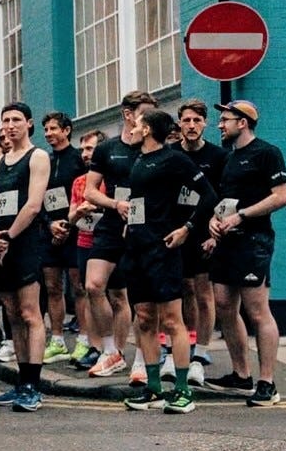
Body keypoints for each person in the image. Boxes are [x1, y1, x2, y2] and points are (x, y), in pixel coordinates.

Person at [120, 110, 216, 414]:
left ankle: (183, 391)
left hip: (163, 248)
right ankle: (153, 389)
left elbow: (209, 196)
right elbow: (140, 199)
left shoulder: (174, 159)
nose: (132, 129)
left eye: (136, 125)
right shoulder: (138, 160)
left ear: (147, 129)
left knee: (173, 320)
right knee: (145, 318)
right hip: (136, 248)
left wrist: (186, 229)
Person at [205, 100, 286, 407]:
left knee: (257, 312)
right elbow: (224, 202)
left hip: (254, 241)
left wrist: (241, 216)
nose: (219, 124)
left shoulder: (267, 153)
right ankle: (241, 375)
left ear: (242, 123)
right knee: (225, 305)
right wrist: (214, 224)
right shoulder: (229, 158)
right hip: (226, 243)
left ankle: (267, 382)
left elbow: (282, 197)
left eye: (225, 119)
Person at [82, 92, 154, 381]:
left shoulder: (154, 149)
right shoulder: (106, 149)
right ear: (128, 114)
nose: (147, 120)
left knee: (138, 298)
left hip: (143, 227)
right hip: (112, 222)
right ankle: (110, 351)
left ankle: (140, 358)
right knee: (93, 285)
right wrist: (115, 205)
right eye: (143, 113)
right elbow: (89, 191)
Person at [0, 103, 51, 412]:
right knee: (12, 314)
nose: (10, 126)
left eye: (16, 120)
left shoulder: (37, 157)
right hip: (0, 244)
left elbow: (34, 205)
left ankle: (34, 386)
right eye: (5, 121)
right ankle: (21, 383)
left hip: (25, 243)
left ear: (28, 123)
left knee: (29, 313)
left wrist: (9, 236)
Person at [175, 100, 225, 385]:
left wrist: (213, 234)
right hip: (177, 232)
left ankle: (201, 353)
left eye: (197, 120)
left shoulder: (218, 156)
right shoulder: (171, 154)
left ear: (204, 123)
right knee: (183, 290)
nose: (191, 126)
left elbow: (223, 196)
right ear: (179, 123)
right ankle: (184, 344)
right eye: (186, 121)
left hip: (204, 234)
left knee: (204, 292)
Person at [39, 112, 88, 365]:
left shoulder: (79, 160)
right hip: (50, 231)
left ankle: (84, 339)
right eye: (46, 129)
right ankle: (57, 340)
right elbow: (38, 197)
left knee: (79, 287)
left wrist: (69, 225)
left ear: (67, 130)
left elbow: (84, 195)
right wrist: (49, 225)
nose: (48, 133)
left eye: (53, 129)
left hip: (76, 229)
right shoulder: (44, 161)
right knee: (52, 287)